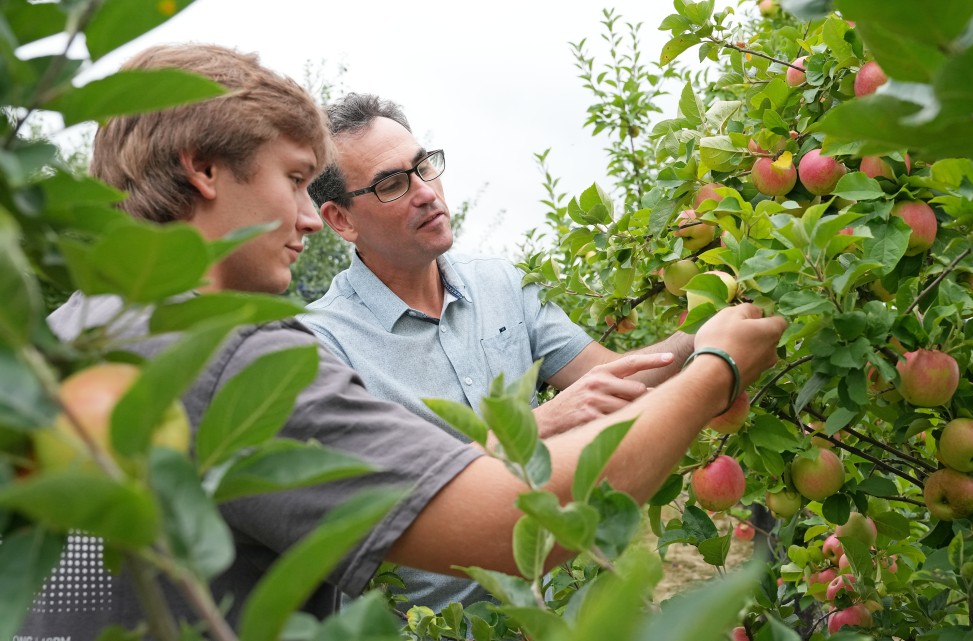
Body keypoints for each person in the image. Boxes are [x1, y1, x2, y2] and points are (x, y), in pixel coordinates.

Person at [19, 43, 787, 639]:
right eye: (293, 180)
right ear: (204, 168)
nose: (309, 216)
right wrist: (715, 369)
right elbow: (525, 519)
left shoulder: (64, 336)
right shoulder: (244, 355)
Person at [301, 94, 703, 610]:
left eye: (424, 166)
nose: (425, 192)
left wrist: (709, 325)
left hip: (550, 612)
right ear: (340, 220)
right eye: (392, 184)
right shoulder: (322, 346)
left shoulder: (503, 284)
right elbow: (383, 504)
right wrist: (533, 428)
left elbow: (614, 378)